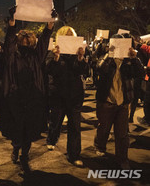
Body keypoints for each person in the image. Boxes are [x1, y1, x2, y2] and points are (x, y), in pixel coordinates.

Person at [0, 7, 54, 175]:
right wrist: (12, 25)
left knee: (28, 130)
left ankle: (24, 155)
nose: (27, 41)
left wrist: (49, 27)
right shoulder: (11, 56)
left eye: (30, 39)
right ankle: (16, 148)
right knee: (17, 129)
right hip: (15, 98)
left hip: (32, 98)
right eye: (24, 38)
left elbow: (44, 42)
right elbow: (8, 43)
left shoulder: (36, 56)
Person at [94, 34, 144, 169]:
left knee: (122, 134)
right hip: (107, 101)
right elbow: (99, 68)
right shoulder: (108, 59)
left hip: (123, 103)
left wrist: (134, 59)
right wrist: (109, 54)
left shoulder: (129, 61)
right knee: (103, 128)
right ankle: (100, 146)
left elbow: (139, 73)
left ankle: (122, 159)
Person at [45, 26, 89, 167]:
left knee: (75, 127)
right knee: (56, 121)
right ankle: (52, 138)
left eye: (72, 35)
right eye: (67, 36)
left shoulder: (78, 53)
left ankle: (74, 155)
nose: (70, 38)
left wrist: (81, 59)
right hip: (59, 96)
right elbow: (49, 71)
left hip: (74, 96)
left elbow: (84, 72)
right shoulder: (54, 52)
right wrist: (56, 59)